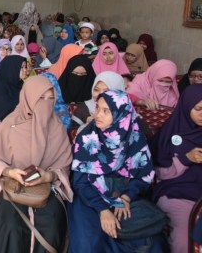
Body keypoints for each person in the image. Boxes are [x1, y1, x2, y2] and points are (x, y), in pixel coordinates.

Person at [70, 90, 165, 253]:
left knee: (150, 243)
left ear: (121, 113)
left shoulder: (135, 138)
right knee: (89, 243)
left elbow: (144, 177)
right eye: (97, 108)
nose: (98, 114)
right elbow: (80, 182)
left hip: (123, 194)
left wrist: (126, 197)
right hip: (90, 197)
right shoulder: (87, 137)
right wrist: (103, 210)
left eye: (106, 111)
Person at [0, 75, 73, 253]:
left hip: (46, 187)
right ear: (28, 97)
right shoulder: (10, 124)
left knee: (52, 224)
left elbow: (64, 165)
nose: (46, 104)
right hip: (13, 187)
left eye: (51, 99)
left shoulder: (56, 127)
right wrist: (10, 172)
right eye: (40, 98)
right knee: (11, 225)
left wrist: (48, 176)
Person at [151, 84, 202, 253]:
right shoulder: (170, 132)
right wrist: (186, 158)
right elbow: (159, 174)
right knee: (185, 233)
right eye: (198, 109)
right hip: (176, 194)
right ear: (187, 106)